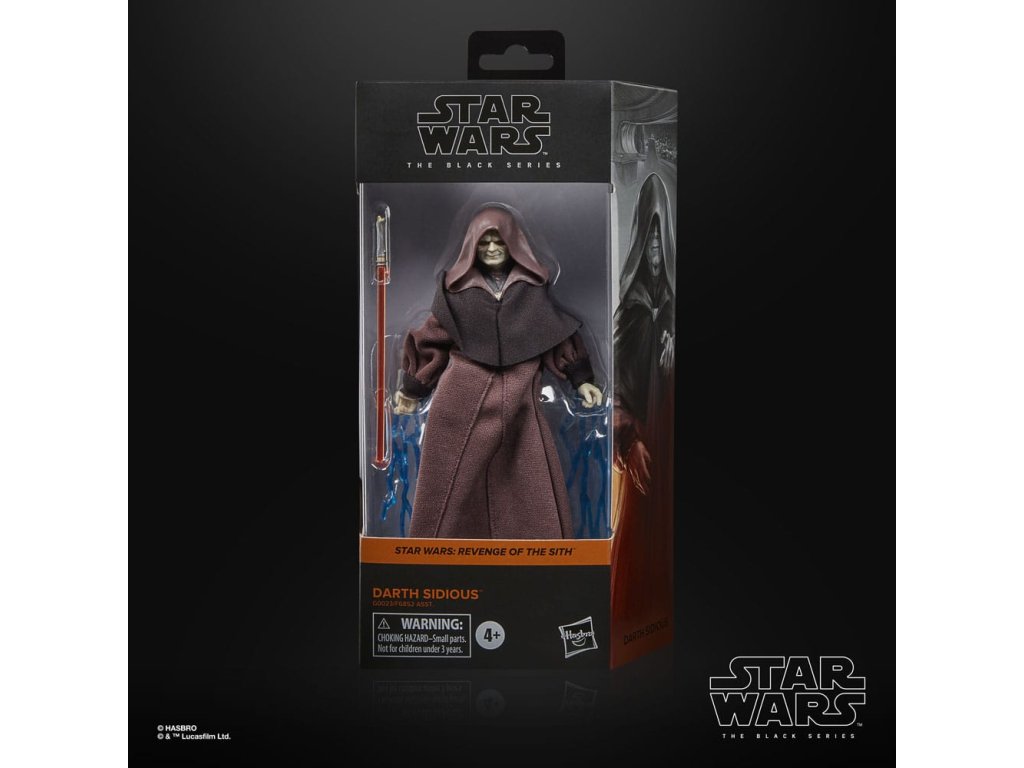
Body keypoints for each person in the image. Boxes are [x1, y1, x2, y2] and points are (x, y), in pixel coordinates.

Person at [393, 205, 603, 539]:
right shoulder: (458, 293)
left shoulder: (530, 292)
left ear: (513, 244)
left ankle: (539, 558)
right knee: (450, 486)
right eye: (484, 242)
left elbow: (554, 335)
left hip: (520, 400)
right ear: (472, 247)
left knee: (528, 480)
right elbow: (432, 339)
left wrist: (581, 380)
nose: (491, 248)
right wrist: (412, 389)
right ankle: (435, 555)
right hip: (461, 399)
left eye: (499, 241)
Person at [611, 173, 675, 619]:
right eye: (648, 242)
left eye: (659, 242)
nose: (654, 252)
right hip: (643, 442)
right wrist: (628, 440)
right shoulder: (632, 313)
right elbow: (617, 389)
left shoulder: (669, 309)